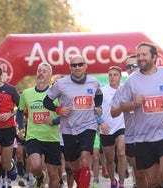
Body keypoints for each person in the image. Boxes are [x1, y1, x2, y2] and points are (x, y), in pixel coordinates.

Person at [120, 42, 163, 188]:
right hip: (144, 136)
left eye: (144, 54)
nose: (140, 58)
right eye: (138, 55)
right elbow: (120, 106)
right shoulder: (132, 80)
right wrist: (133, 104)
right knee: (152, 182)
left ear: (154, 57)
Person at [43, 55, 103, 188]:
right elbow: (46, 101)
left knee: (85, 158)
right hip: (68, 128)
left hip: (88, 125)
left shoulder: (94, 82)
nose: (77, 67)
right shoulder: (61, 84)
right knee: (74, 166)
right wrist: (58, 109)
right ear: (70, 67)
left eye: (80, 64)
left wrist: (97, 107)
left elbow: (99, 95)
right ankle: (81, 182)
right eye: (74, 65)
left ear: (85, 65)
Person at [16, 62, 61, 188]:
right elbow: (19, 111)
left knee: (53, 173)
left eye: (44, 71)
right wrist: (20, 128)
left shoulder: (56, 94)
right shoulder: (26, 93)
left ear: (50, 75)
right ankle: (40, 177)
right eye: (39, 70)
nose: (41, 73)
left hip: (52, 137)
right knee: (35, 166)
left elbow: (65, 114)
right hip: (33, 136)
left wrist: (54, 121)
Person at [110, 54, 149, 188]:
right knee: (139, 173)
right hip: (134, 137)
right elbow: (113, 112)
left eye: (135, 65)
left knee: (155, 173)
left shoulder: (152, 83)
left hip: (154, 135)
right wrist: (126, 105)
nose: (131, 68)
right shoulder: (122, 89)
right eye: (128, 66)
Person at [99, 66, 127, 188]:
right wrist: (101, 123)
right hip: (106, 128)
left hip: (121, 126)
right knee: (109, 160)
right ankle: (113, 181)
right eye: (110, 75)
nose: (112, 77)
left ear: (120, 77)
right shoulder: (101, 91)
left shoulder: (125, 90)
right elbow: (95, 110)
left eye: (115, 75)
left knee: (121, 153)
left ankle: (121, 183)